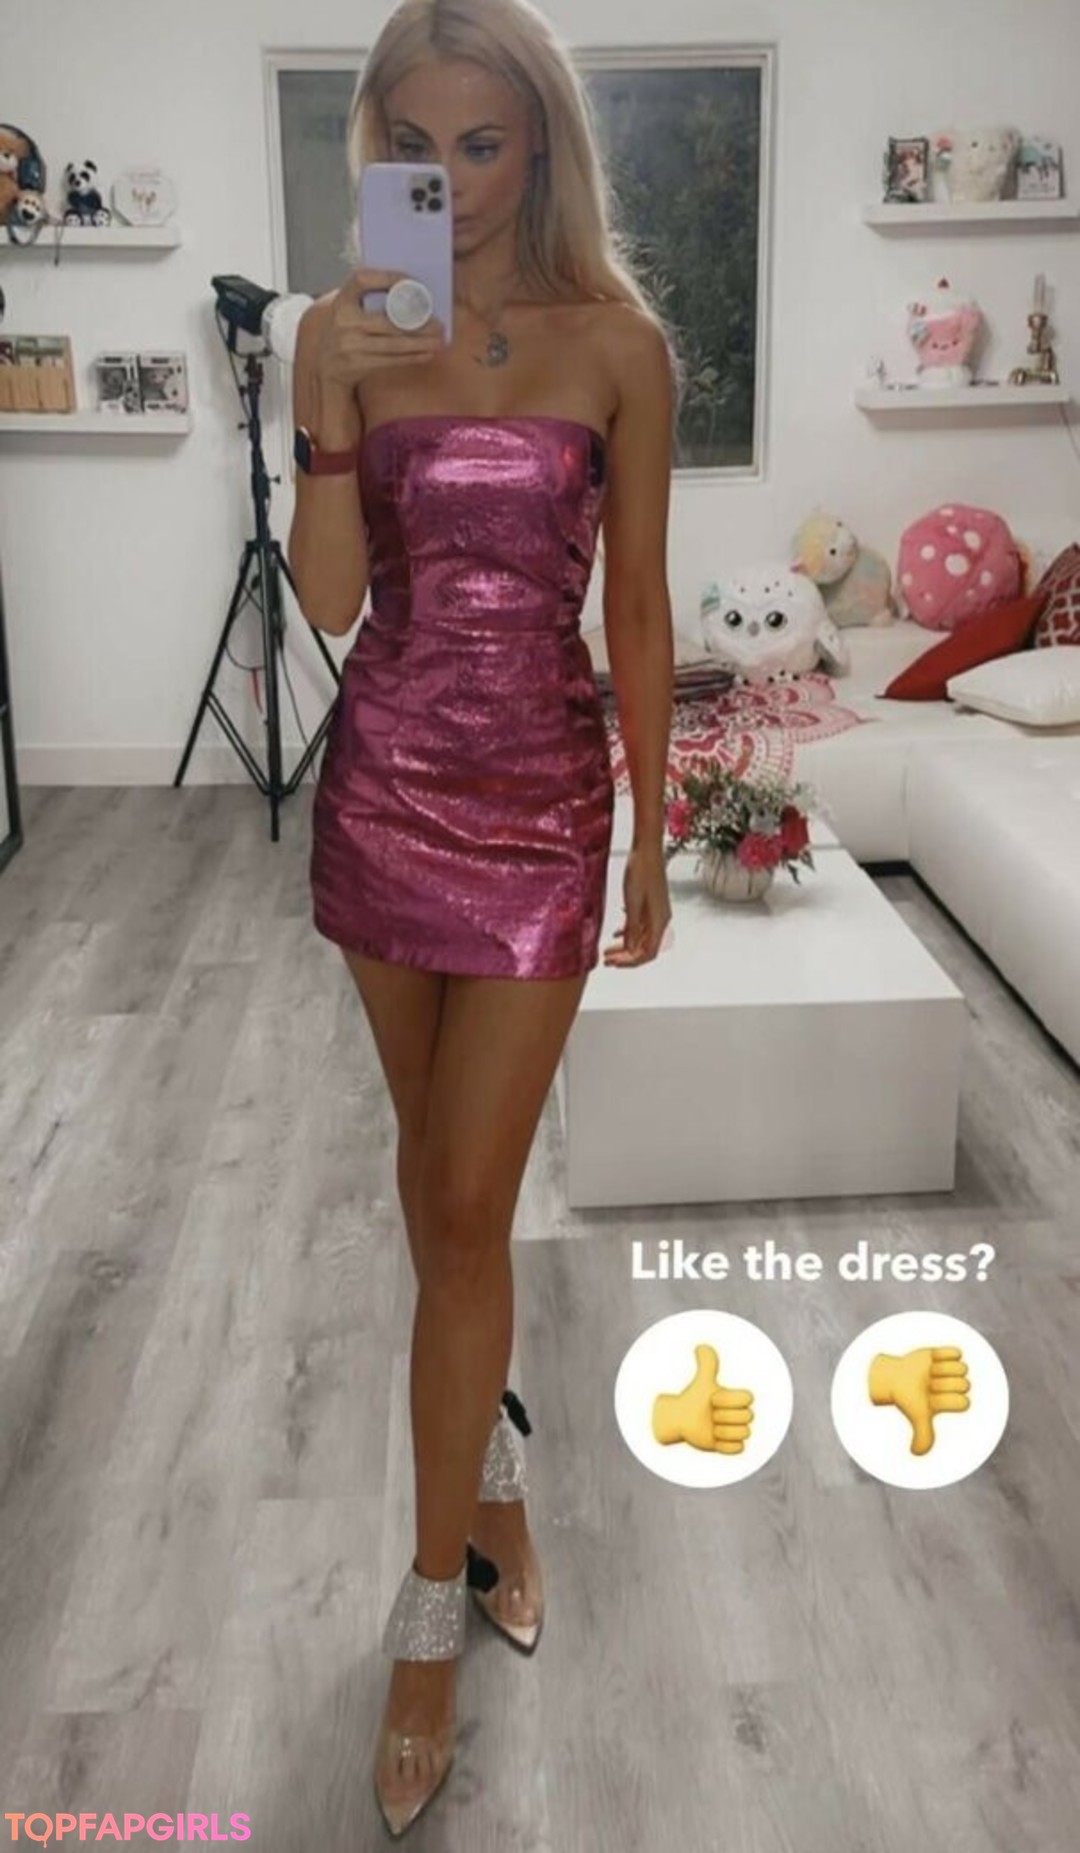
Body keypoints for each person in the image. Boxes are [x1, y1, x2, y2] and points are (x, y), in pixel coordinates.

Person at [288, 0, 676, 1836]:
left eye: (483, 144)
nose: (447, 179)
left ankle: (426, 1613)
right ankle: (494, 1469)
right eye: (412, 148)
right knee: (436, 1193)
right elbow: (330, 602)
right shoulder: (352, 336)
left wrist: (655, 831)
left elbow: (643, 610)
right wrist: (323, 402)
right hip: (383, 794)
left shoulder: (620, 346)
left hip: (538, 809)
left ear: (544, 143)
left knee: (463, 1204)